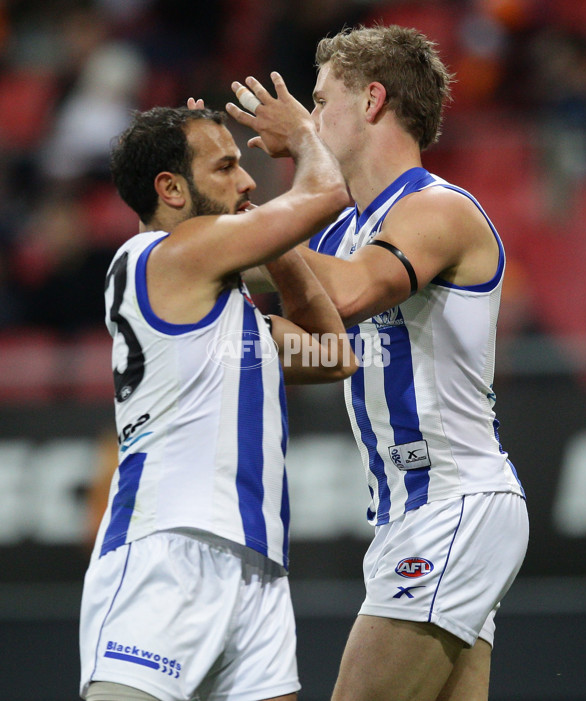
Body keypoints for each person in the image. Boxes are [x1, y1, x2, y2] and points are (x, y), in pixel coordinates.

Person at [230, 25, 529, 701]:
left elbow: (354, 291)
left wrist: (290, 175)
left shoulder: (439, 210)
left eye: (320, 101)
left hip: (452, 500)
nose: (310, 116)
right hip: (415, 512)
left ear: (370, 101)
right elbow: (329, 348)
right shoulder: (343, 232)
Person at [79, 72, 356, 701]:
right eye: (226, 166)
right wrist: (305, 133)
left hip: (256, 564)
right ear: (170, 190)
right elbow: (325, 191)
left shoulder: (229, 316)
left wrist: (276, 242)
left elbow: (333, 354)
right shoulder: (163, 253)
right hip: (168, 546)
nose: (249, 180)